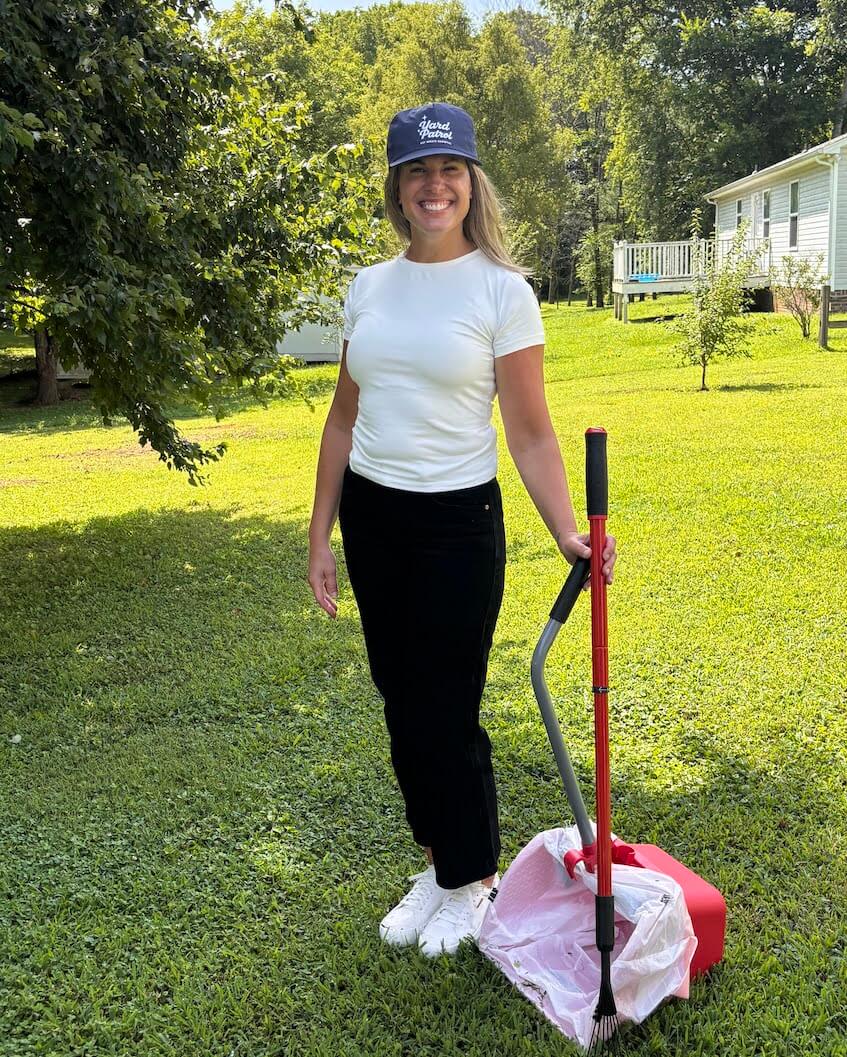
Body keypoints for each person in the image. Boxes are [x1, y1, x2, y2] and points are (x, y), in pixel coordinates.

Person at [307, 102, 616, 957]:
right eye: (417, 172)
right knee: (402, 702)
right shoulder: (367, 286)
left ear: (470, 183)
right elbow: (342, 419)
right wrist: (320, 532)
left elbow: (529, 431)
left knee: (447, 708)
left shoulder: (501, 291)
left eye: (448, 171)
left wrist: (565, 531)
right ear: (398, 189)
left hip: (456, 524)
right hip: (375, 516)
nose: (433, 186)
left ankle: (473, 880)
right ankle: (438, 862)